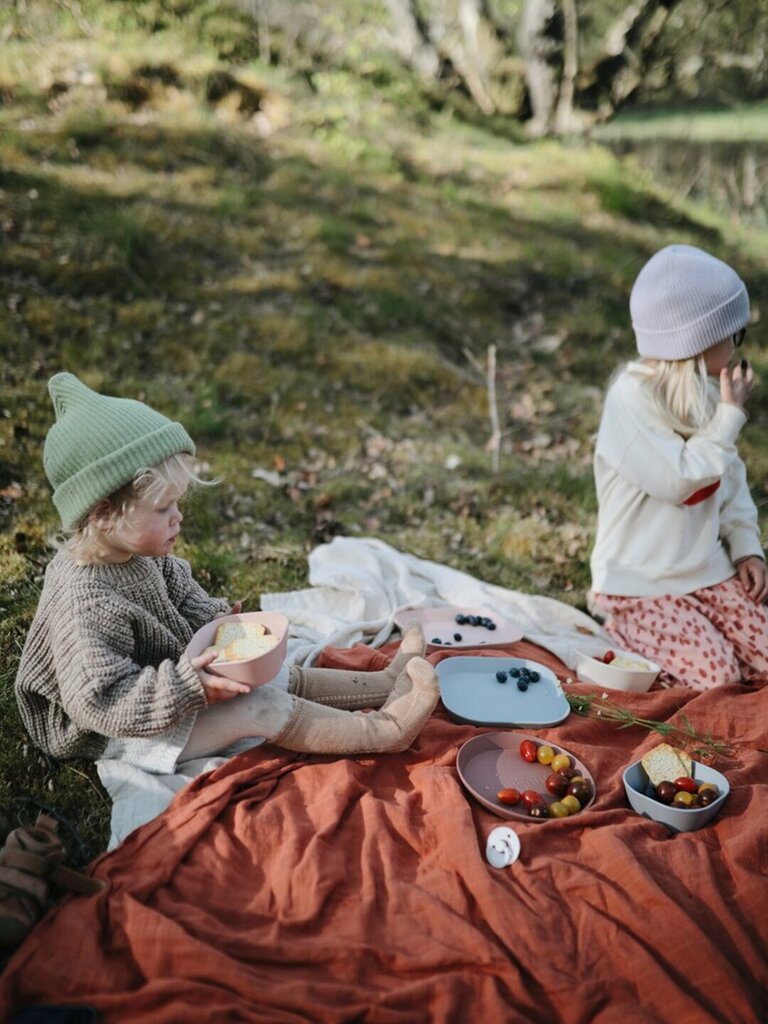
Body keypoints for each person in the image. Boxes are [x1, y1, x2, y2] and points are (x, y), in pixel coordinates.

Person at [14, 372, 440, 776]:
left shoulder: (140, 553)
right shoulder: (85, 599)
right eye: (164, 508)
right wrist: (189, 686)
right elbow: (100, 700)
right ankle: (386, 731)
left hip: (166, 682)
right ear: (105, 515)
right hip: (111, 730)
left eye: (178, 504)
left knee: (269, 671)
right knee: (259, 706)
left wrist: (221, 625)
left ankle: (383, 684)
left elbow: (181, 596)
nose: (178, 518)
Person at [589, 243, 768, 690]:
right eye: (733, 334)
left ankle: (692, 631)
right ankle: (626, 630)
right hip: (642, 583)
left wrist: (746, 545)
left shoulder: (709, 394)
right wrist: (730, 418)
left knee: (763, 661)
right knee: (718, 678)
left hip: (704, 571)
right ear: (698, 340)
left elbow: (731, 479)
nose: (736, 346)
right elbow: (680, 479)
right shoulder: (631, 399)